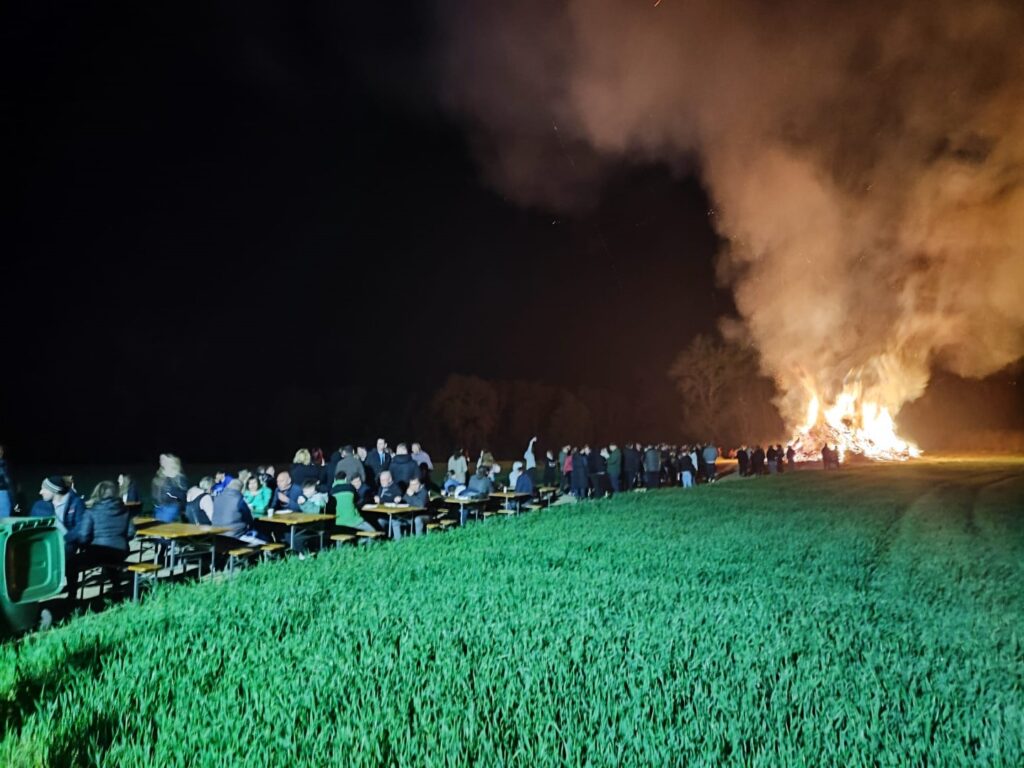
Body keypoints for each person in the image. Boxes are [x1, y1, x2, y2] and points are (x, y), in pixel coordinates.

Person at [65, 480, 134, 596]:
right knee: (110, 558)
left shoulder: (91, 512)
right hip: (121, 551)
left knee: (71, 563)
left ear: (97, 493)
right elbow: (131, 532)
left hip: (98, 552)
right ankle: (116, 586)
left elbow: (83, 536)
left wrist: (84, 546)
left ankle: (72, 595)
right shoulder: (125, 510)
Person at [152, 453, 188, 523]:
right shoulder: (160, 475)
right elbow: (155, 491)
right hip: (158, 506)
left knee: (163, 526)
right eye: (161, 459)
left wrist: (170, 496)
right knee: (157, 527)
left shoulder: (178, 477)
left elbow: (182, 494)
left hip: (171, 506)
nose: (162, 461)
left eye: (165, 460)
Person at [0, 445, 17, 516]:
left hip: (4, 494)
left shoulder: (6, 464)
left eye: (1, 450)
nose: (0, 452)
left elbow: (10, 482)